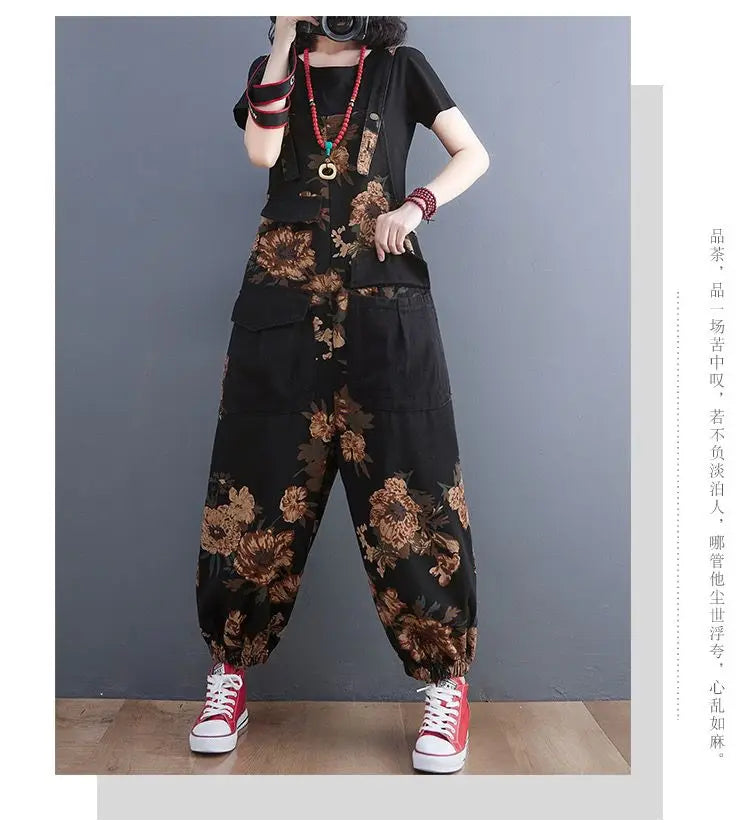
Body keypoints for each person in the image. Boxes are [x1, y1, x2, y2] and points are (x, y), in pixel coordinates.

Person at [189, 16, 490, 774]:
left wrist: (415, 205)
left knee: (412, 488)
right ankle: (229, 677)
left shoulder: (399, 67)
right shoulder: (275, 70)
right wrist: (283, 40)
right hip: (280, 311)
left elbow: (473, 153)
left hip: (384, 308)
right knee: (253, 487)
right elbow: (262, 152)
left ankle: (445, 687)